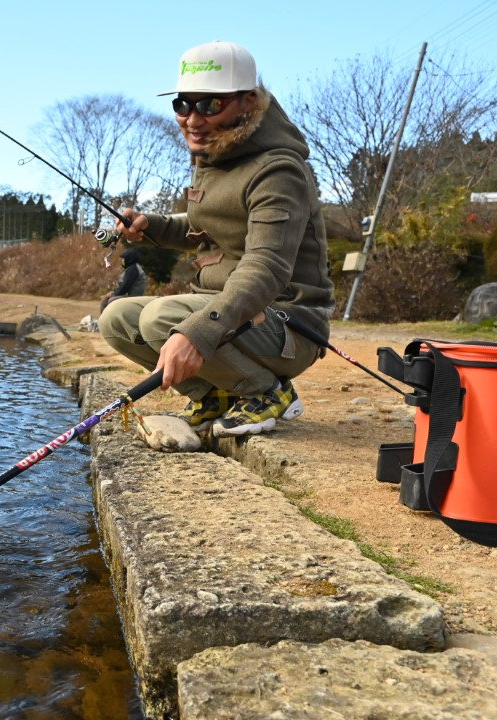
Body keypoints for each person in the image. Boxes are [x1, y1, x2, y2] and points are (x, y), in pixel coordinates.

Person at [99, 40, 334, 441]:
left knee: (162, 319)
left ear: (247, 102)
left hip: (286, 324)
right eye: (182, 105)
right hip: (231, 317)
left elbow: (266, 267)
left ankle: (267, 391)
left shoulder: (279, 171)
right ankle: (215, 394)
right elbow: (204, 229)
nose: (193, 119)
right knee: (116, 319)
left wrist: (198, 332)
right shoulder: (215, 157)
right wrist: (149, 226)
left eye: (210, 105)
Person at [99, 247, 147, 314]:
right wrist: (113, 292)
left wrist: (113, 294)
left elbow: (125, 287)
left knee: (111, 300)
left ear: (129, 259)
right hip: (130, 295)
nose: (123, 260)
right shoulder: (132, 268)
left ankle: (109, 321)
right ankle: (104, 321)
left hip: (133, 297)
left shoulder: (133, 269)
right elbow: (123, 286)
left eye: (124, 259)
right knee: (104, 300)